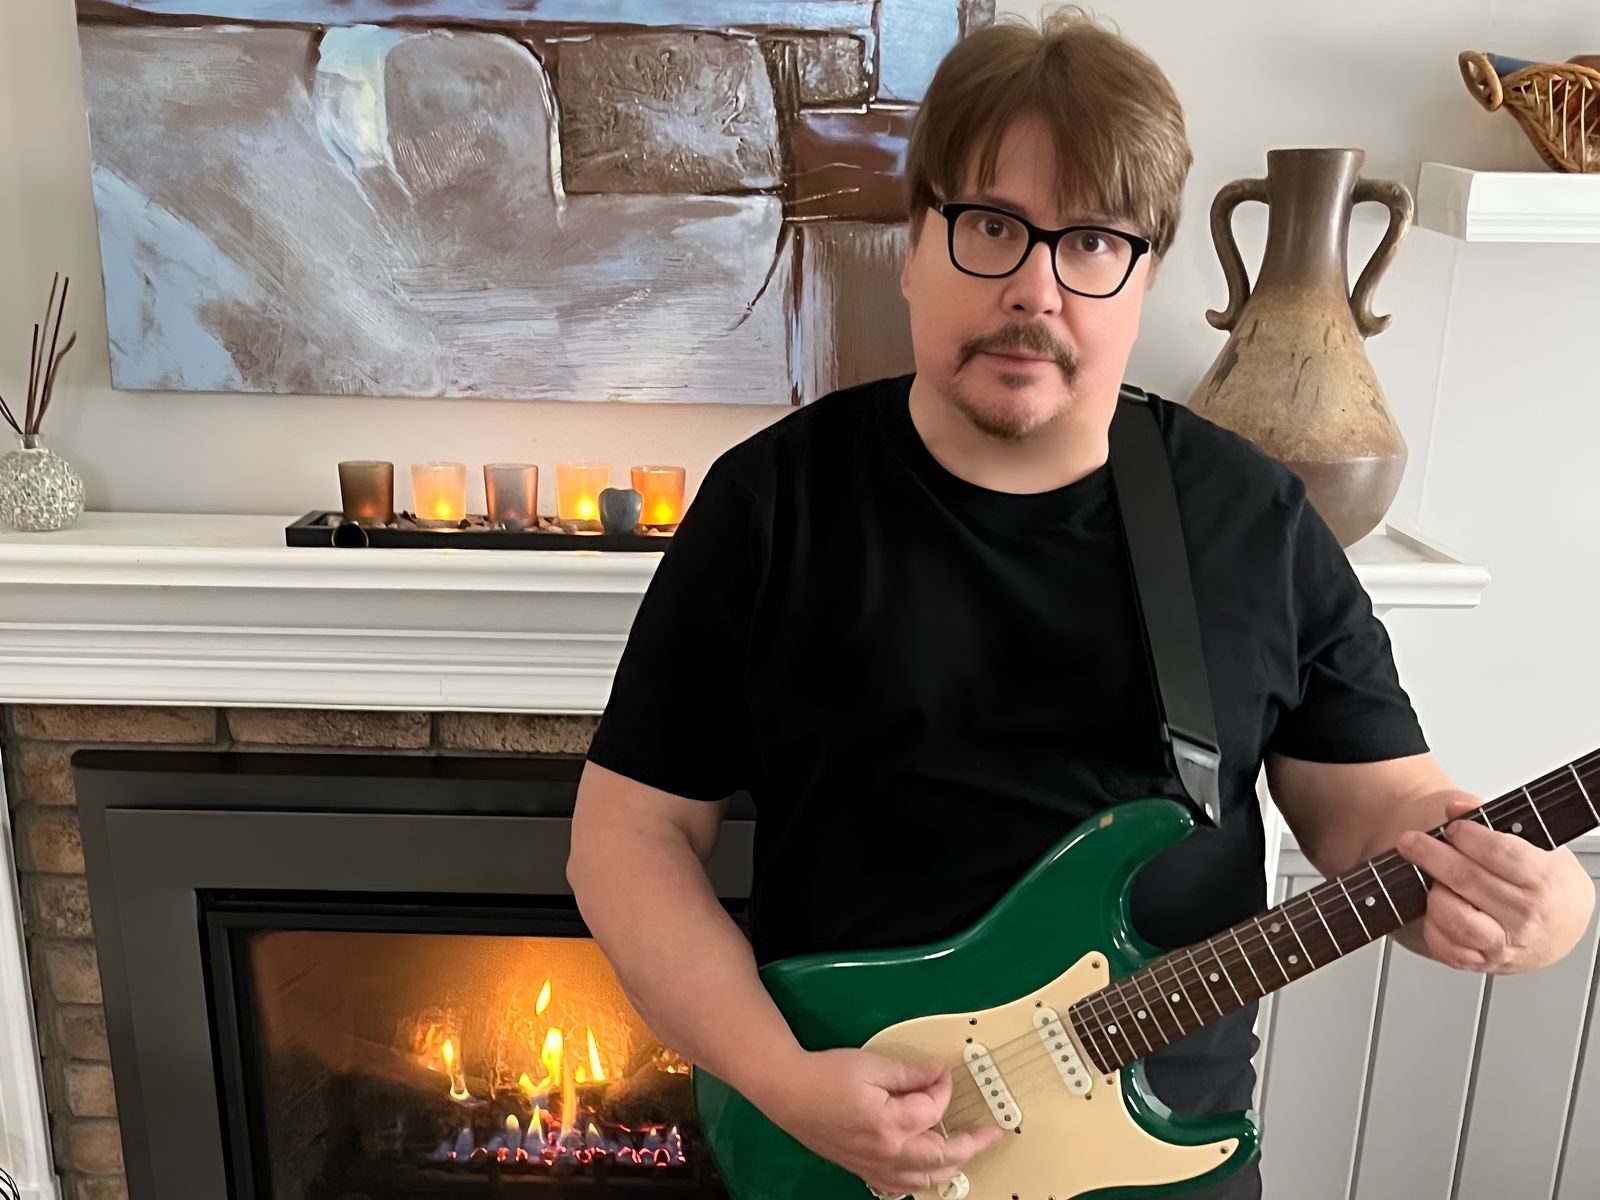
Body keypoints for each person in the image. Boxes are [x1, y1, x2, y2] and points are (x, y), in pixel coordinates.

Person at [567, 11, 1596, 1199]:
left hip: (1168, 1159)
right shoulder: (773, 502)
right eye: (989, 226)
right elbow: (629, 837)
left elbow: (1379, 807)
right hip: (840, 1149)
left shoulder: (1249, 516)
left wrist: (1531, 901)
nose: (1033, 289)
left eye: (1092, 242)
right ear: (913, 245)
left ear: (1143, 274)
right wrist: (781, 1079)